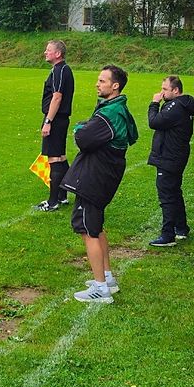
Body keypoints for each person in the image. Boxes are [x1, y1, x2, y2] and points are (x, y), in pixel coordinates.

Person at [61, 65, 138, 303]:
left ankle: (100, 288)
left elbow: (83, 138)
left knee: (88, 230)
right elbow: (132, 135)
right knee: (97, 226)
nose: (97, 84)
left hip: (95, 178)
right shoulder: (118, 108)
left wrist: (81, 129)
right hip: (104, 175)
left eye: (102, 81)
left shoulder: (111, 112)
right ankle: (107, 277)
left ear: (115, 86)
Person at [147, 75, 194, 246]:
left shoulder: (176, 107)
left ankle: (167, 235)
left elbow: (154, 122)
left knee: (167, 196)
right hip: (176, 155)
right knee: (175, 192)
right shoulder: (183, 105)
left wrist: (154, 103)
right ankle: (181, 227)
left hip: (169, 157)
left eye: (165, 89)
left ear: (175, 90)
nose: (161, 92)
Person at [35, 40, 75, 211]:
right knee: (61, 157)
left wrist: (48, 121)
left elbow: (57, 97)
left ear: (58, 54)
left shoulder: (60, 70)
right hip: (59, 119)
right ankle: (63, 196)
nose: (45, 52)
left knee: (54, 158)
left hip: (56, 119)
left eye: (48, 50)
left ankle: (53, 202)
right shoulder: (61, 70)